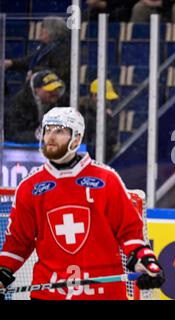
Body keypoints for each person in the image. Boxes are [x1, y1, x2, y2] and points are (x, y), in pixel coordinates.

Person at [0, 107, 164, 300]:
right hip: (49, 294)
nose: (51, 136)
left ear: (76, 139)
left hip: (103, 295)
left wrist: (146, 261)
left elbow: (130, 233)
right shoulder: (29, 187)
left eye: (59, 130)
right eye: (48, 130)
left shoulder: (106, 180)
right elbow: (17, 243)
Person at [4, 17, 70, 93]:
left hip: (52, 92)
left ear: (53, 32)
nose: (40, 31)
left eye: (43, 28)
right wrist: (11, 63)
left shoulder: (62, 49)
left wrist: (36, 72)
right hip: (38, 89)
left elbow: (61, 72)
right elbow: (29, 61)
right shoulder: (44, 47)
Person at [5, 70, 66, 143]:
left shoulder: (60, 100)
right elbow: (14, 133)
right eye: (49, 90)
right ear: (37, 90)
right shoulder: (18, 104)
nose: (54, 93)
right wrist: (39, 136)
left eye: (56, 89)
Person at [79, 78, 120, 161]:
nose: (108, 103)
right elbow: (109, 139)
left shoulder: (95, 112)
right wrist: (107, 118)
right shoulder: (87, 116)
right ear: (94, 96)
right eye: (106, 99)